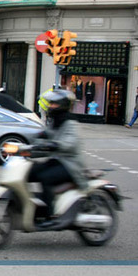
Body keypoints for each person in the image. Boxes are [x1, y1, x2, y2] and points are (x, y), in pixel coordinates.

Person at [28, 89, 88, 228]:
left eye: (54, 104)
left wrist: (53, 144)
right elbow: (45, 135)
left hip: (70, 165)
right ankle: (34, 206)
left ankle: (49, 215)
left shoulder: (70, 122)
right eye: (50, 103)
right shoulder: (55, 121)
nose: (50, 106)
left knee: (45, 178)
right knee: (29, 172)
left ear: (62, 105)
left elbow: (70, 144)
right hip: (57, 161)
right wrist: (30, 145)